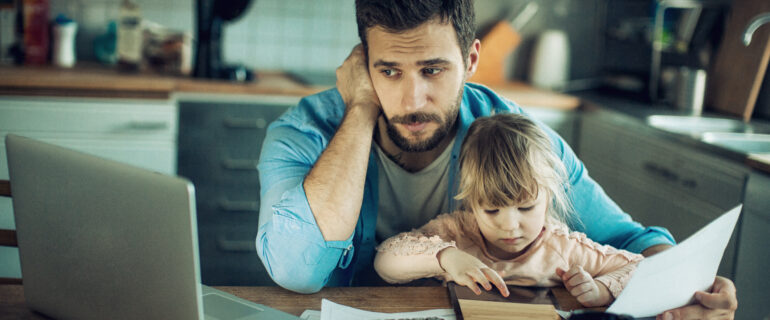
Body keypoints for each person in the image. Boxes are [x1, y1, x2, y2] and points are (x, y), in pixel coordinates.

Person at [255, 0, 738, 318]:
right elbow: (297, 269)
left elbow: (632, 240)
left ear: (471, 60)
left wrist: (684, 291)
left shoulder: (513, 137)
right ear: (362, 63)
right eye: (389, 71)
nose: (412, 99)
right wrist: (360, 108)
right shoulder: (305, 131)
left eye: (433, 69)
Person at [374, 113, 643, 307]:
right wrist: (446, 257)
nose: (510, 226)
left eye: (526, 207)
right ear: (472, 203)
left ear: (548, 198)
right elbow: (384, 262)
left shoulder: (564, 248)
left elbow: (640, 268)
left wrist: (601, 290)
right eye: (492, 211)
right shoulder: (457, 232)